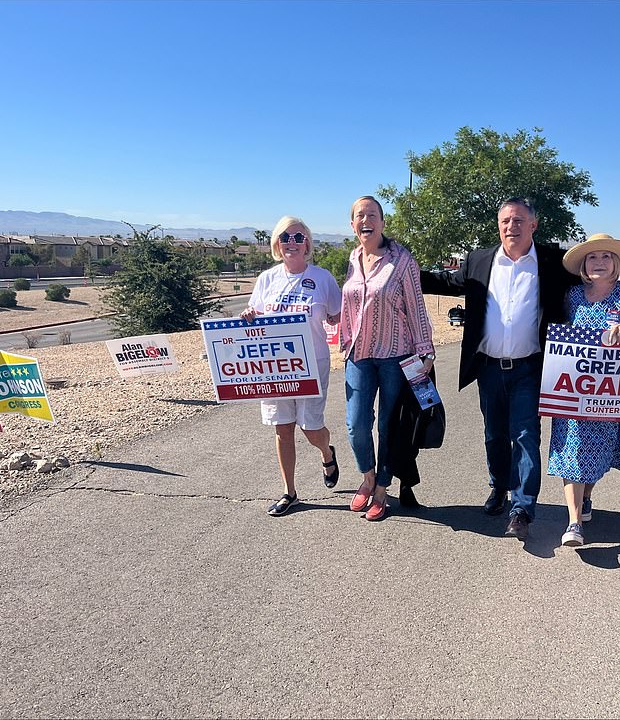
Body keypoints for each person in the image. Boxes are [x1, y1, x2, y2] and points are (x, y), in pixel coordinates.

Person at [420, 197, 578, 542]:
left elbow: (592, 281)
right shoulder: (480, 259)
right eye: (506, 221)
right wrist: (401, 272)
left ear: (533, 225)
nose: (512, 227)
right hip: (489, 367)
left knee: (525, 435)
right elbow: (444, 283)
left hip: (531, 368)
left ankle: (522, 508)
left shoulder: (553, 261)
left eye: (519, 220)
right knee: (494, 434)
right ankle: (499, 488)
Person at [547, 234, 620, 547]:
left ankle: (587, 498)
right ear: (583, 264)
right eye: (593, 257)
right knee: (574, 451)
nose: (599, 262)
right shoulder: (571, 295)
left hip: (612, 393)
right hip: (576, 392)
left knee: (598, 454)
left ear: (615, 263)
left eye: (606, 257)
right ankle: (574, 522)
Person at [340, 195, 435, 522]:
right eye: (359, 216)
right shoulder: (353, 258)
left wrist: (426, 351)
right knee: (356, 423)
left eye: (371, 215)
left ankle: (382, 488)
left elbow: (416, 307)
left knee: (389, 427)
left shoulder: (402, 260)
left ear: (382, 222)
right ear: (352, 225)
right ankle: (367, 477)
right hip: (359, 354)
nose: (365, 221)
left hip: (396, 356)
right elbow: (351, 306)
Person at [240, 216, 343, 517]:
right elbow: (255, 314)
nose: (292, 242)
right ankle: (290, 493)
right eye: (285, 237)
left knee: (311, 427)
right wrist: (249, 314)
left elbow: (337, 316)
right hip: (274, 366)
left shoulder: (323, 279)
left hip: (313, 363)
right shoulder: (267, 280)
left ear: (307, 243)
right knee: (282, 429)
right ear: (277, 243)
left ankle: (327, 452)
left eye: (299, 237)